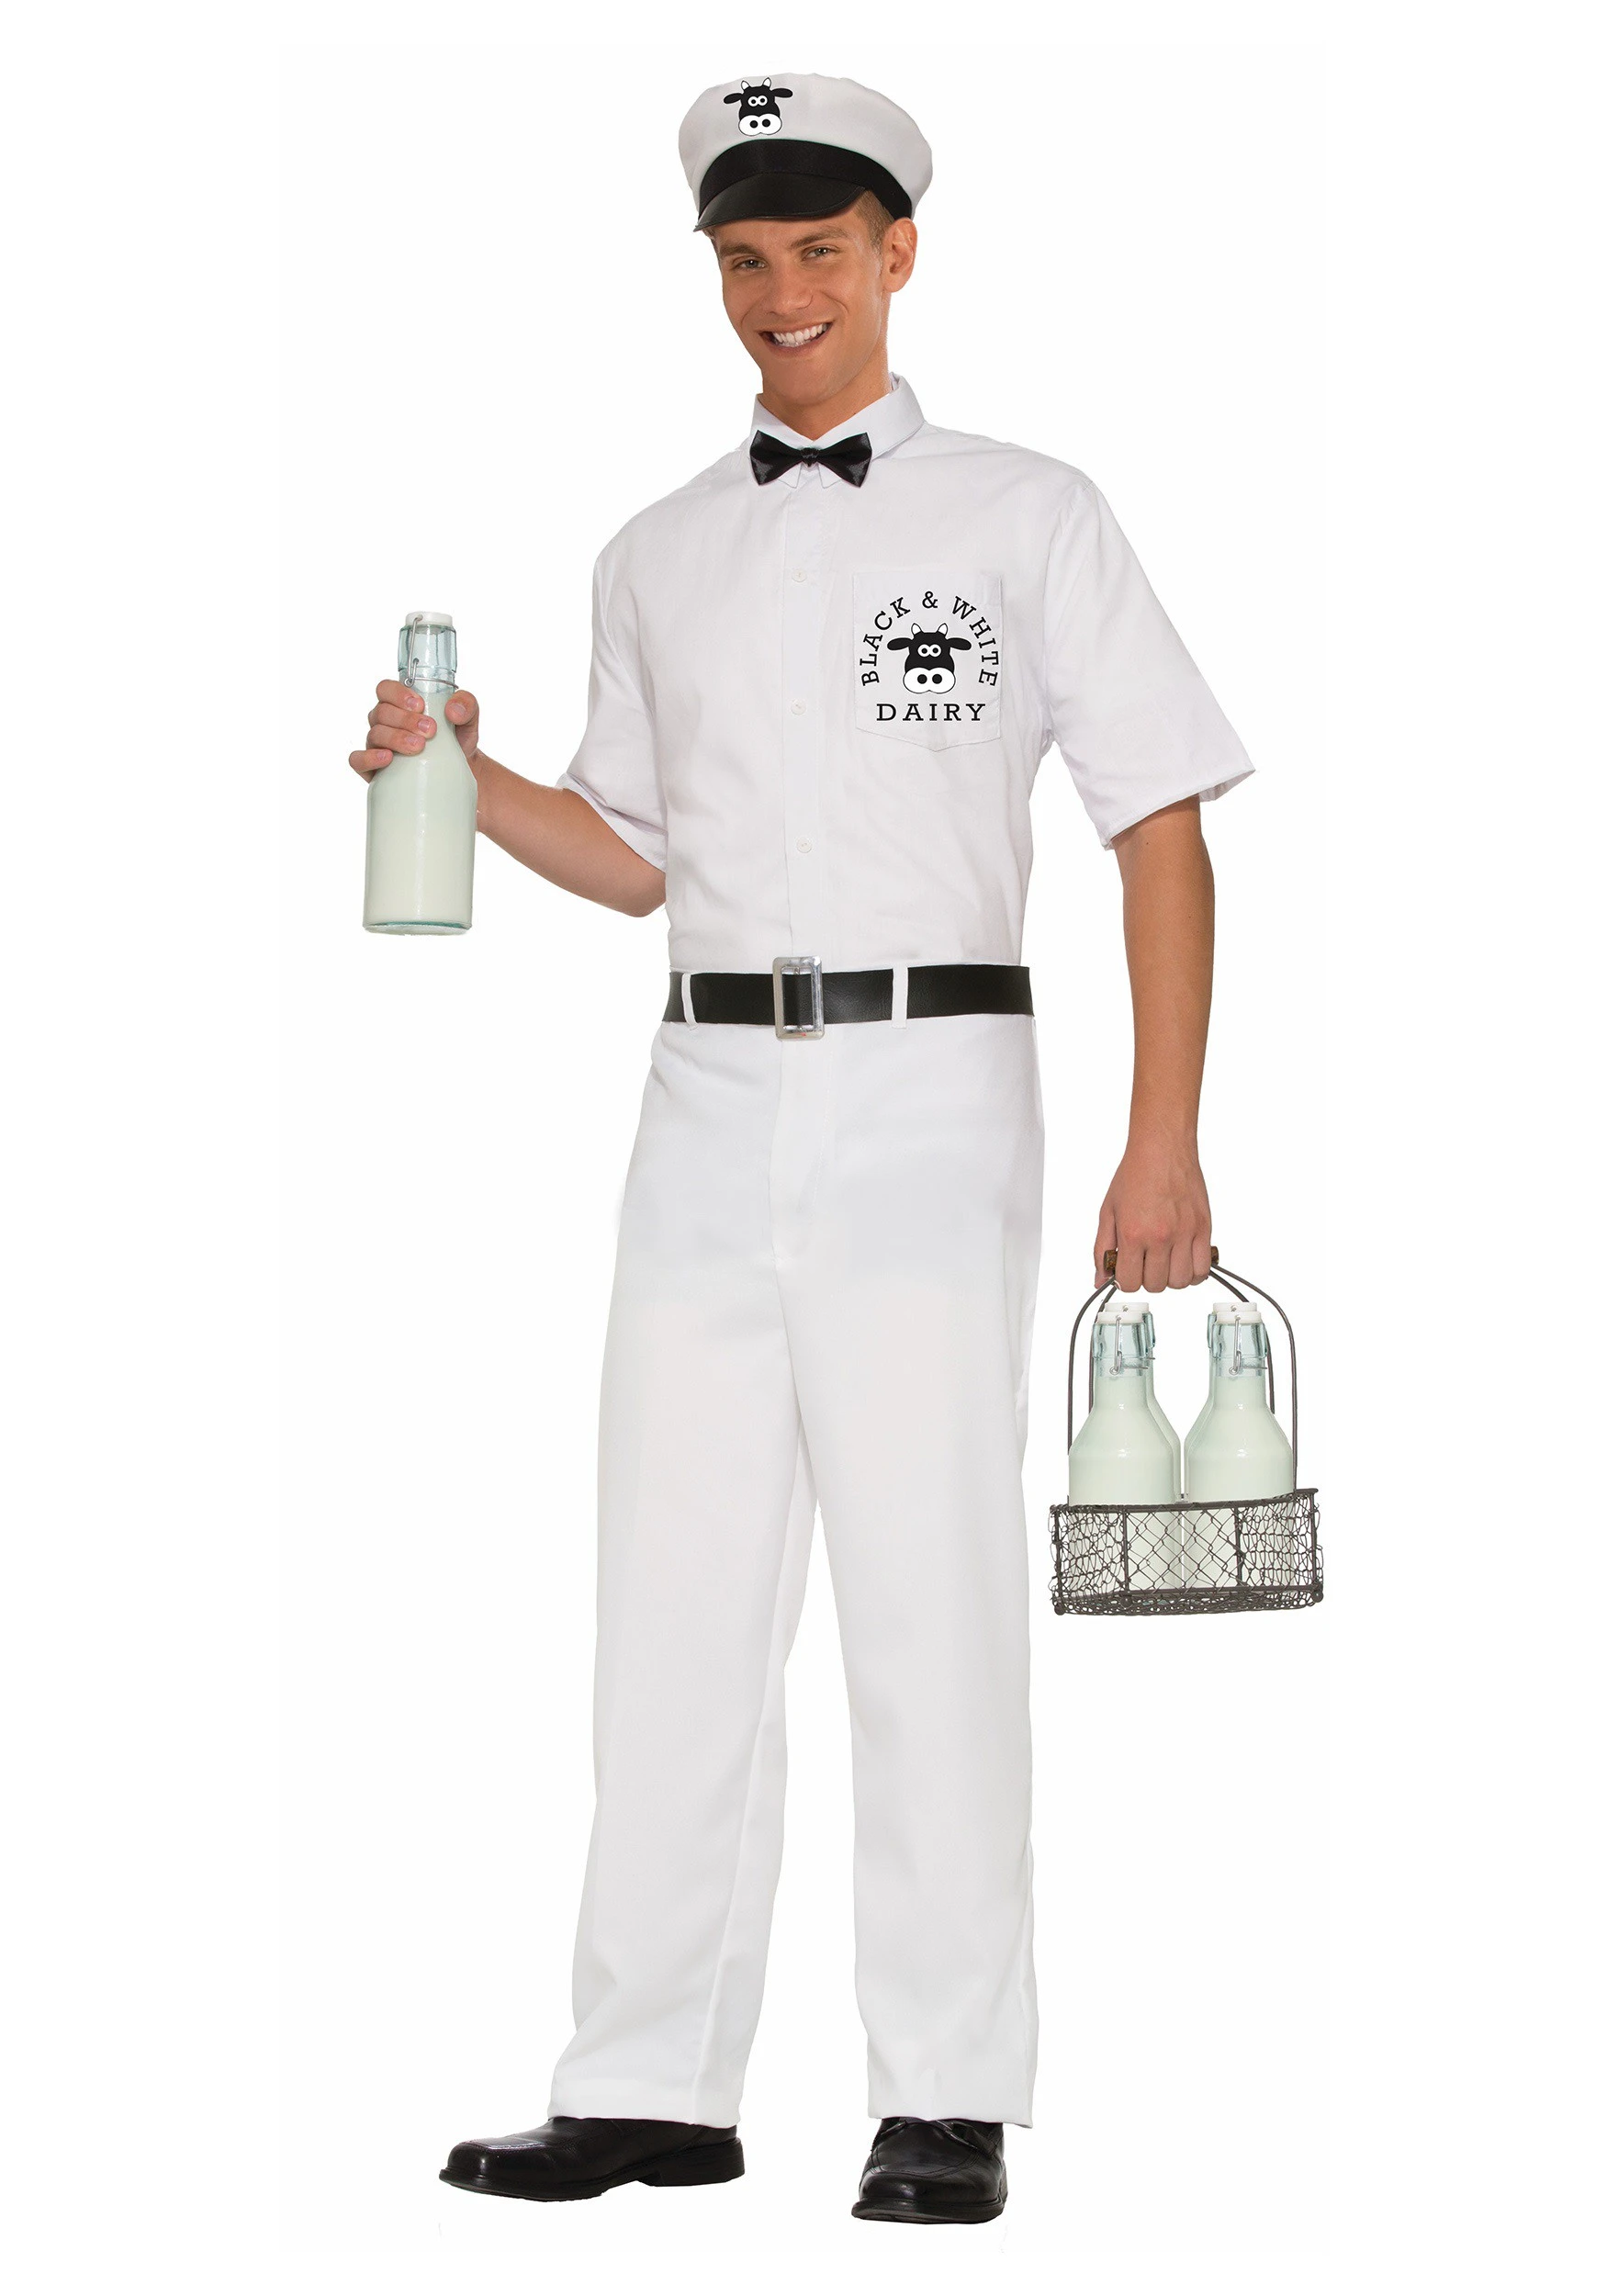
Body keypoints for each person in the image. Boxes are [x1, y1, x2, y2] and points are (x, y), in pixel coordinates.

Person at [350, 72, 1250, 2227]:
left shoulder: (1027, 514)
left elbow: (1154, 825)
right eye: (743, 261)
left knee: (924, 1588)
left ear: (896, 251)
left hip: (936, 1084)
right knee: (669, 1582)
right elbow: (633, 855)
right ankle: (648, 2076)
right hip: (701, 1090)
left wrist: (1164, 1138)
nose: (781, 296)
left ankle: (944, 2084)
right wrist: (463, 774)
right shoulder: (652, 549)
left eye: (819, 252)